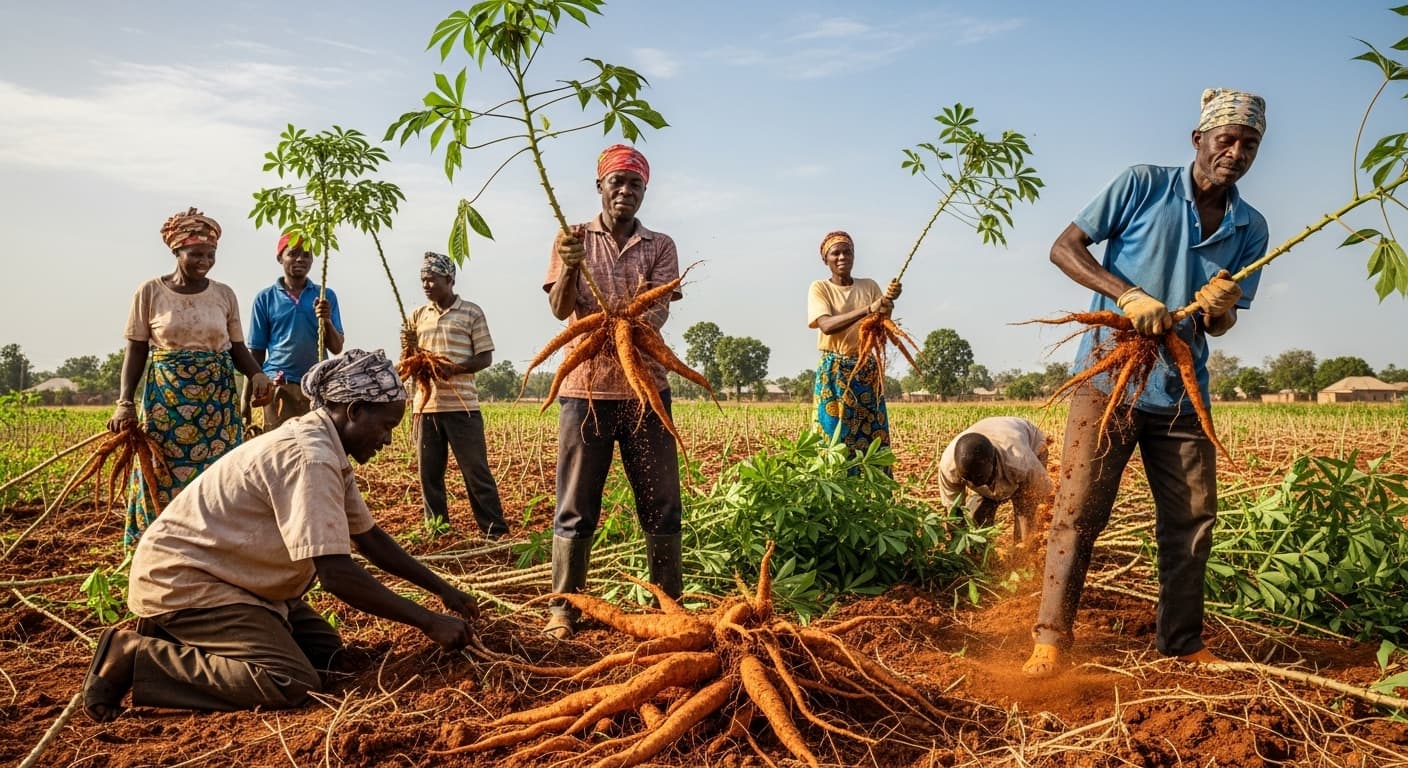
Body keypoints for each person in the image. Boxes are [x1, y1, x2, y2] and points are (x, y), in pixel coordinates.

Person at [80, 349, 478, 721]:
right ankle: (136, 656)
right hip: (189, 581)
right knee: (290, 681)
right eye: (386, 426)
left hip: (240, 579)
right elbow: (336, 574)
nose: (388, 440)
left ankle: (177, 635)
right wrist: (427, 621)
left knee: (328, 656)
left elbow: (369, 538)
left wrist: (442, 589)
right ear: (354, 410)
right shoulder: (311, 456)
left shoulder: (327, 446)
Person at [1023, 88, 1267, 678]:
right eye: (1225, 140)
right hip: (1109, 380)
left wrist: (1222, 305)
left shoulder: (1250, 227)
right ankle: (1051, 639)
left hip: (1183, 394)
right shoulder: (1142, 185)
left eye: (1249, 144)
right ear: (1198, 140)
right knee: (1078, 510)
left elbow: (1222, 324)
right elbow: (1064, 248)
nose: (1235, 152)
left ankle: (1180, 642)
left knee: (1191, 518)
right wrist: (1126, 294)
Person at [539, 144, 683, 639]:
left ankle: (670, 606)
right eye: (616, 183)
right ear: (599, 186)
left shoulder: (660, 245)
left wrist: (623, 324)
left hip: (646, 389)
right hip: (585, 391)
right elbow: (560, 310)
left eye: (635, 185)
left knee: (661, 501)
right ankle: (563, 608)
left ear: (645, 191)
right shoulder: (572, 237)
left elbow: (659, 310)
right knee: (576, 502)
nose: (625, 192)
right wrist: (572, 267)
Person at [108, 207, 273, 546]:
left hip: (217, 402)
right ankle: (161, 541)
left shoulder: (223, 294)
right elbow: (136, 350)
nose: (205, 261)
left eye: (211, 255)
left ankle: (217, 540)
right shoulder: (150, 292)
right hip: (166, 402)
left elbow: (237, 349)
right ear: (177, 251)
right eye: (196, 254)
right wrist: (125, 402)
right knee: (162, 468)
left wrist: (257, 375)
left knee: (220, 471)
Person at [401, 251, 509, 537]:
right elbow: (410, 359)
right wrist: (409, 348)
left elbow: (485, 358)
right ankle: (437, 531)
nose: (426, 285)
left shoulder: (471, 312)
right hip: (426, 408)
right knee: (429, 475)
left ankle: (494, 531)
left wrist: (454, 369)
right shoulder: (417, 316)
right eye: (423, 280)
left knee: (476, 472)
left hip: (463, 407)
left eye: (432, 279)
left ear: (449, 280)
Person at [807, 231, 902, 453]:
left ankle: (873, 484)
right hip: (834, 371)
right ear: (825, 260)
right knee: (833, 437)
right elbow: (827, 326)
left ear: (854, 256)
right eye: (835, 253)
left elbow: (882, 320)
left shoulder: (869, 286)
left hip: (866, 371)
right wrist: (868, 309)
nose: (842, 257)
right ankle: (834, 482)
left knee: (872, 437)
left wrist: (889, 300)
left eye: (847, 252)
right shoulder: (820, 288)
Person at [241, 233, 345, 432]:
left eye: (306, 254)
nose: (300, 259)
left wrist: (326, 320)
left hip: (316, 386)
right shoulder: (266, 298)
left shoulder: (324, 295)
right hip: (279, 386)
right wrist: (245, 402)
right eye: (293, 254)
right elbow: (256, 353)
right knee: (279, 448)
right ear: (280, 258)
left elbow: (336, 347)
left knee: (316, 446)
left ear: (312, 260)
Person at [938, 416, 1053, 545]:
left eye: (985, 481)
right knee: (978, 514)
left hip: (1032, 444)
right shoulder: (949, 468)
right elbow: (952, 511)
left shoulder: (1021, 462)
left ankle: (1023, 556)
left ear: (994, 464)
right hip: (996, 435)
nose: (984, 486)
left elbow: (1044, 493)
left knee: (1025, 510)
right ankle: (982, 552)